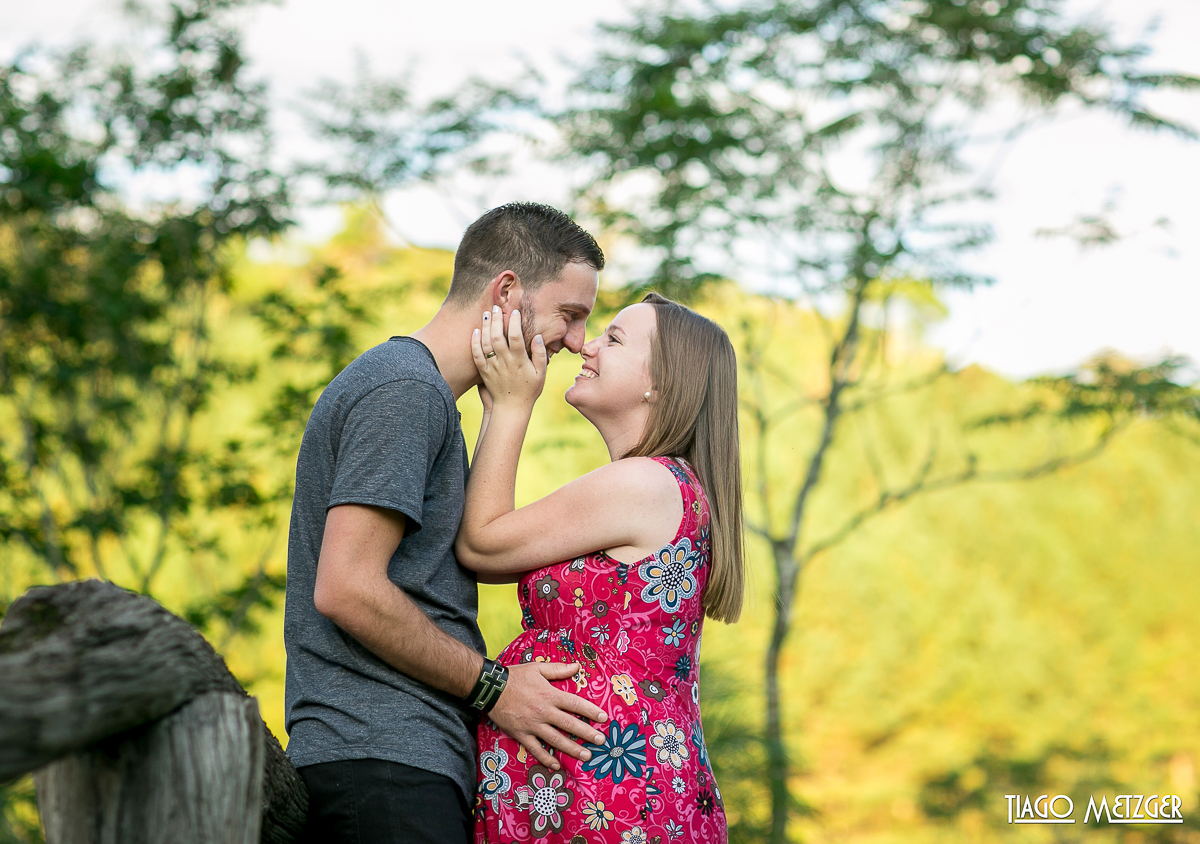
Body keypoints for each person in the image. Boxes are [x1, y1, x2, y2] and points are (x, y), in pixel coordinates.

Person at [283, 202, 615, 844]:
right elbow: (346, 586)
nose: (576, 342)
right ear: (507, 291)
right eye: (570, 315)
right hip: (380, 763)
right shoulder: (404, 392)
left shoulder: (422, 395)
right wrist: (495, 688)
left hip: (403, 760)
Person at [457, 292, 744, 843]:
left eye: (613, 339)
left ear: (659, 383)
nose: (586, 346)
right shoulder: (664, 486)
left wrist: (511, 404)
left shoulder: (645, 483)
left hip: (611, 799)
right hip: (611, 793)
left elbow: (483, 546)